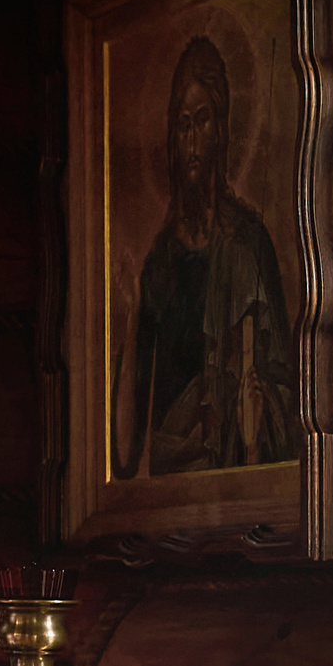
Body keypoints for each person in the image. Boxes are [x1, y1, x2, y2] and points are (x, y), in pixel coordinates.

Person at [111, 34, 297, 477]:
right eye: (183, 125)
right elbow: (122, 455)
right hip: (172, 486)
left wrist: (258, 403)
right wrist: (137, 310)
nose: (193, 139)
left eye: (203, 120)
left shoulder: (249, 243)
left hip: (233, 481)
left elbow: (287, 392)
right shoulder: (161, 258)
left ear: (223, 127)